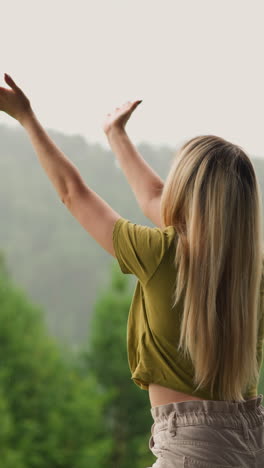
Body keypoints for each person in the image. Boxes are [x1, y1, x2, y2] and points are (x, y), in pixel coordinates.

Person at [0, 73, 264, 467]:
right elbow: (156, 198)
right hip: (252, 440)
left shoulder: (160, 256)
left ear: (187, 193)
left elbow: (73, 193)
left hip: (192, 450)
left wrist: (26, 117)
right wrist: (116, 134)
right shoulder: (252, 275)